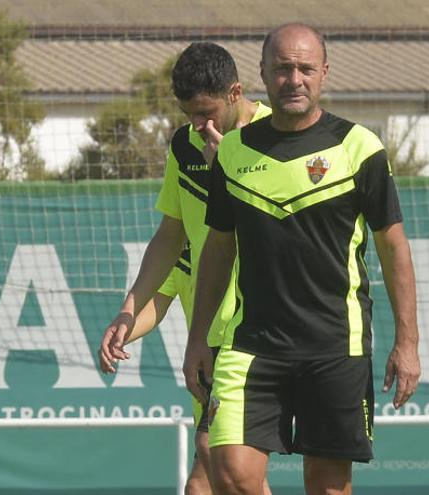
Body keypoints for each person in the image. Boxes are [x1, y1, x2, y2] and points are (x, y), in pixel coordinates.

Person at [183, 23, 421, 495]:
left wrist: (407, 341)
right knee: (229, 473)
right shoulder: (232, 153)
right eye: (282, 69)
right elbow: (218, 247)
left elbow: (394, 246)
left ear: (324, 73)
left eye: (305, 69)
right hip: (251, 345)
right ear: (263, 75)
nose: (294, 79)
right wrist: (197, 339)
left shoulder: (360, 148)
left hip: (335, 344)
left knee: (328, 487)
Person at [98, 42, 271, 495]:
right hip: (215, 339)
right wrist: (127, 312)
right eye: (189, 114)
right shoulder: (185, 145)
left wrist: (228, 173)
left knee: (234, 469)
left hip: (275, 332)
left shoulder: (278, 137)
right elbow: (171, 238)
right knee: (208, 476)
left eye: (207, 112)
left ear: (236, 92)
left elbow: (288, 235)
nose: (199, 125)